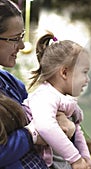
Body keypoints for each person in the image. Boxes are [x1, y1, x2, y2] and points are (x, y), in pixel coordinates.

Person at [23, 31, 91, 169]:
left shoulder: (64, 100)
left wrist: (85, 157)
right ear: (64, 72)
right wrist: (75, 159)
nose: (87, 79)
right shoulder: (44, 96)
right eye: (84, 72)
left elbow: (77, 130)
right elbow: (46, 126)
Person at [0, 0, 49, 168]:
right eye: (15, 39)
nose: (21, 46)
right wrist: (31, 135)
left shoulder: (12, 84)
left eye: (22, 37)